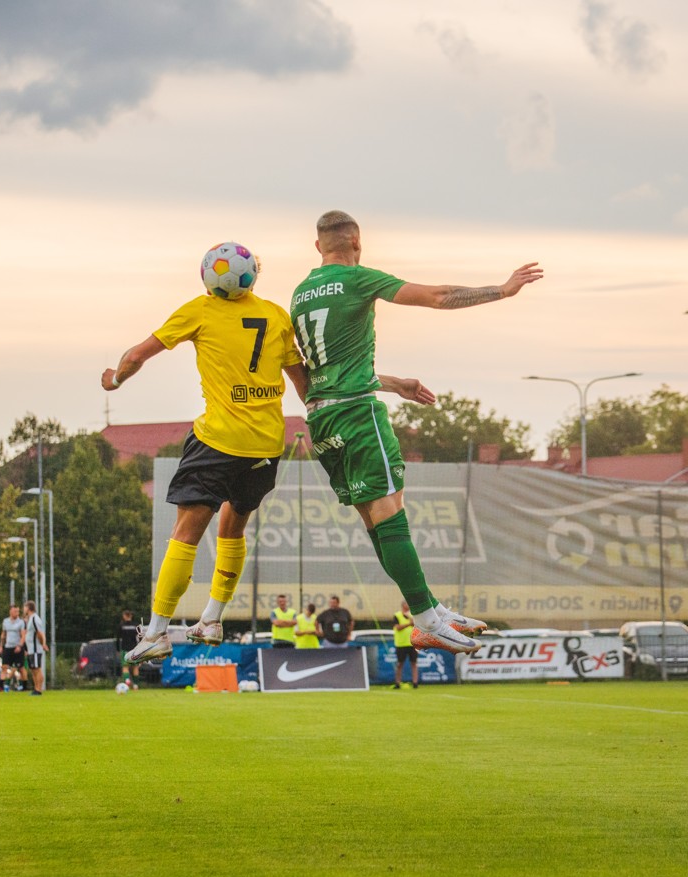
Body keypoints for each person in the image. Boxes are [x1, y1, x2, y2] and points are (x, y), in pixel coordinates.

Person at [104, 242, 433, 663]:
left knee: (185, 533)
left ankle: (155, 631)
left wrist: (114, 379)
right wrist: (388, 384)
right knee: (232, 528)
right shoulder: (276, 316)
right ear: (249, 276)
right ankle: (212, 617)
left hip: (218, 442)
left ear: (207, 277)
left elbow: (135, 356)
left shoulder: (199, 311)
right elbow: (309, 384)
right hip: (265, 446)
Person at [290, 211, 543, 654]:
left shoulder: (302, 294)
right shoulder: (360, 279)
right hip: (356, 414)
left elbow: (326, 372)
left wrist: (391, 383)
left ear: (318, 247)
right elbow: (439, 296)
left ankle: (431, 609)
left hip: (322, 418)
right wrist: (501, 291)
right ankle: (425, 618)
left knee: (376, 519)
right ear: (357, 242)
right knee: (392, 515)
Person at [20, 600, 47, 695]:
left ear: (28, 608)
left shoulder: (35, 618)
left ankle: (39, 689)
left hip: (36, 649)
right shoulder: (30, 618)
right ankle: (36, 688)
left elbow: (40, 632)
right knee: (33, 669)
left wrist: (43, 643)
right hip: (31, 649)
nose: (23, 609)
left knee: (37, 669)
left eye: (24, 607)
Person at [0, 603, 26, 692]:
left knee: (20, 668)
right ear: (10, 611)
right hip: (8, 647)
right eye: (15, 611)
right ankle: (3, 688)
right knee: (4, 667)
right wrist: (1, 646)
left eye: (18, 611)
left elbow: (23, 636)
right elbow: (3, 635)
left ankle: (23, 687)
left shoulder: (21, 622)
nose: (17, 613)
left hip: (18, 648)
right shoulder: (5, 621)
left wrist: (19, 646)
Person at [392, 601, 418, 689]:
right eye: (407, 603)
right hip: (401, 644)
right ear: (403, 605)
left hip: (413, 643)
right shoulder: (397, 615)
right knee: (400, 664)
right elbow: (397, 628)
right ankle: (397, 683)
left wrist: (412, 621)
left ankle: (415, 682)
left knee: (414, 663)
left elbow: (417, 625)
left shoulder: (413, 616)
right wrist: (408, 624)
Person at [117, 609, 140, 688]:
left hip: (125, 649)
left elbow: (118, 639)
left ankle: (127, 681)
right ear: (131, 616)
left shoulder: (121, 626)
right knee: (135, 667)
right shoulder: (136, 625)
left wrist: (118, 650)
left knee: (125, 666)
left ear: (124, 616)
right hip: (134, 650)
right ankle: (136, 685)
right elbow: (140, 638)